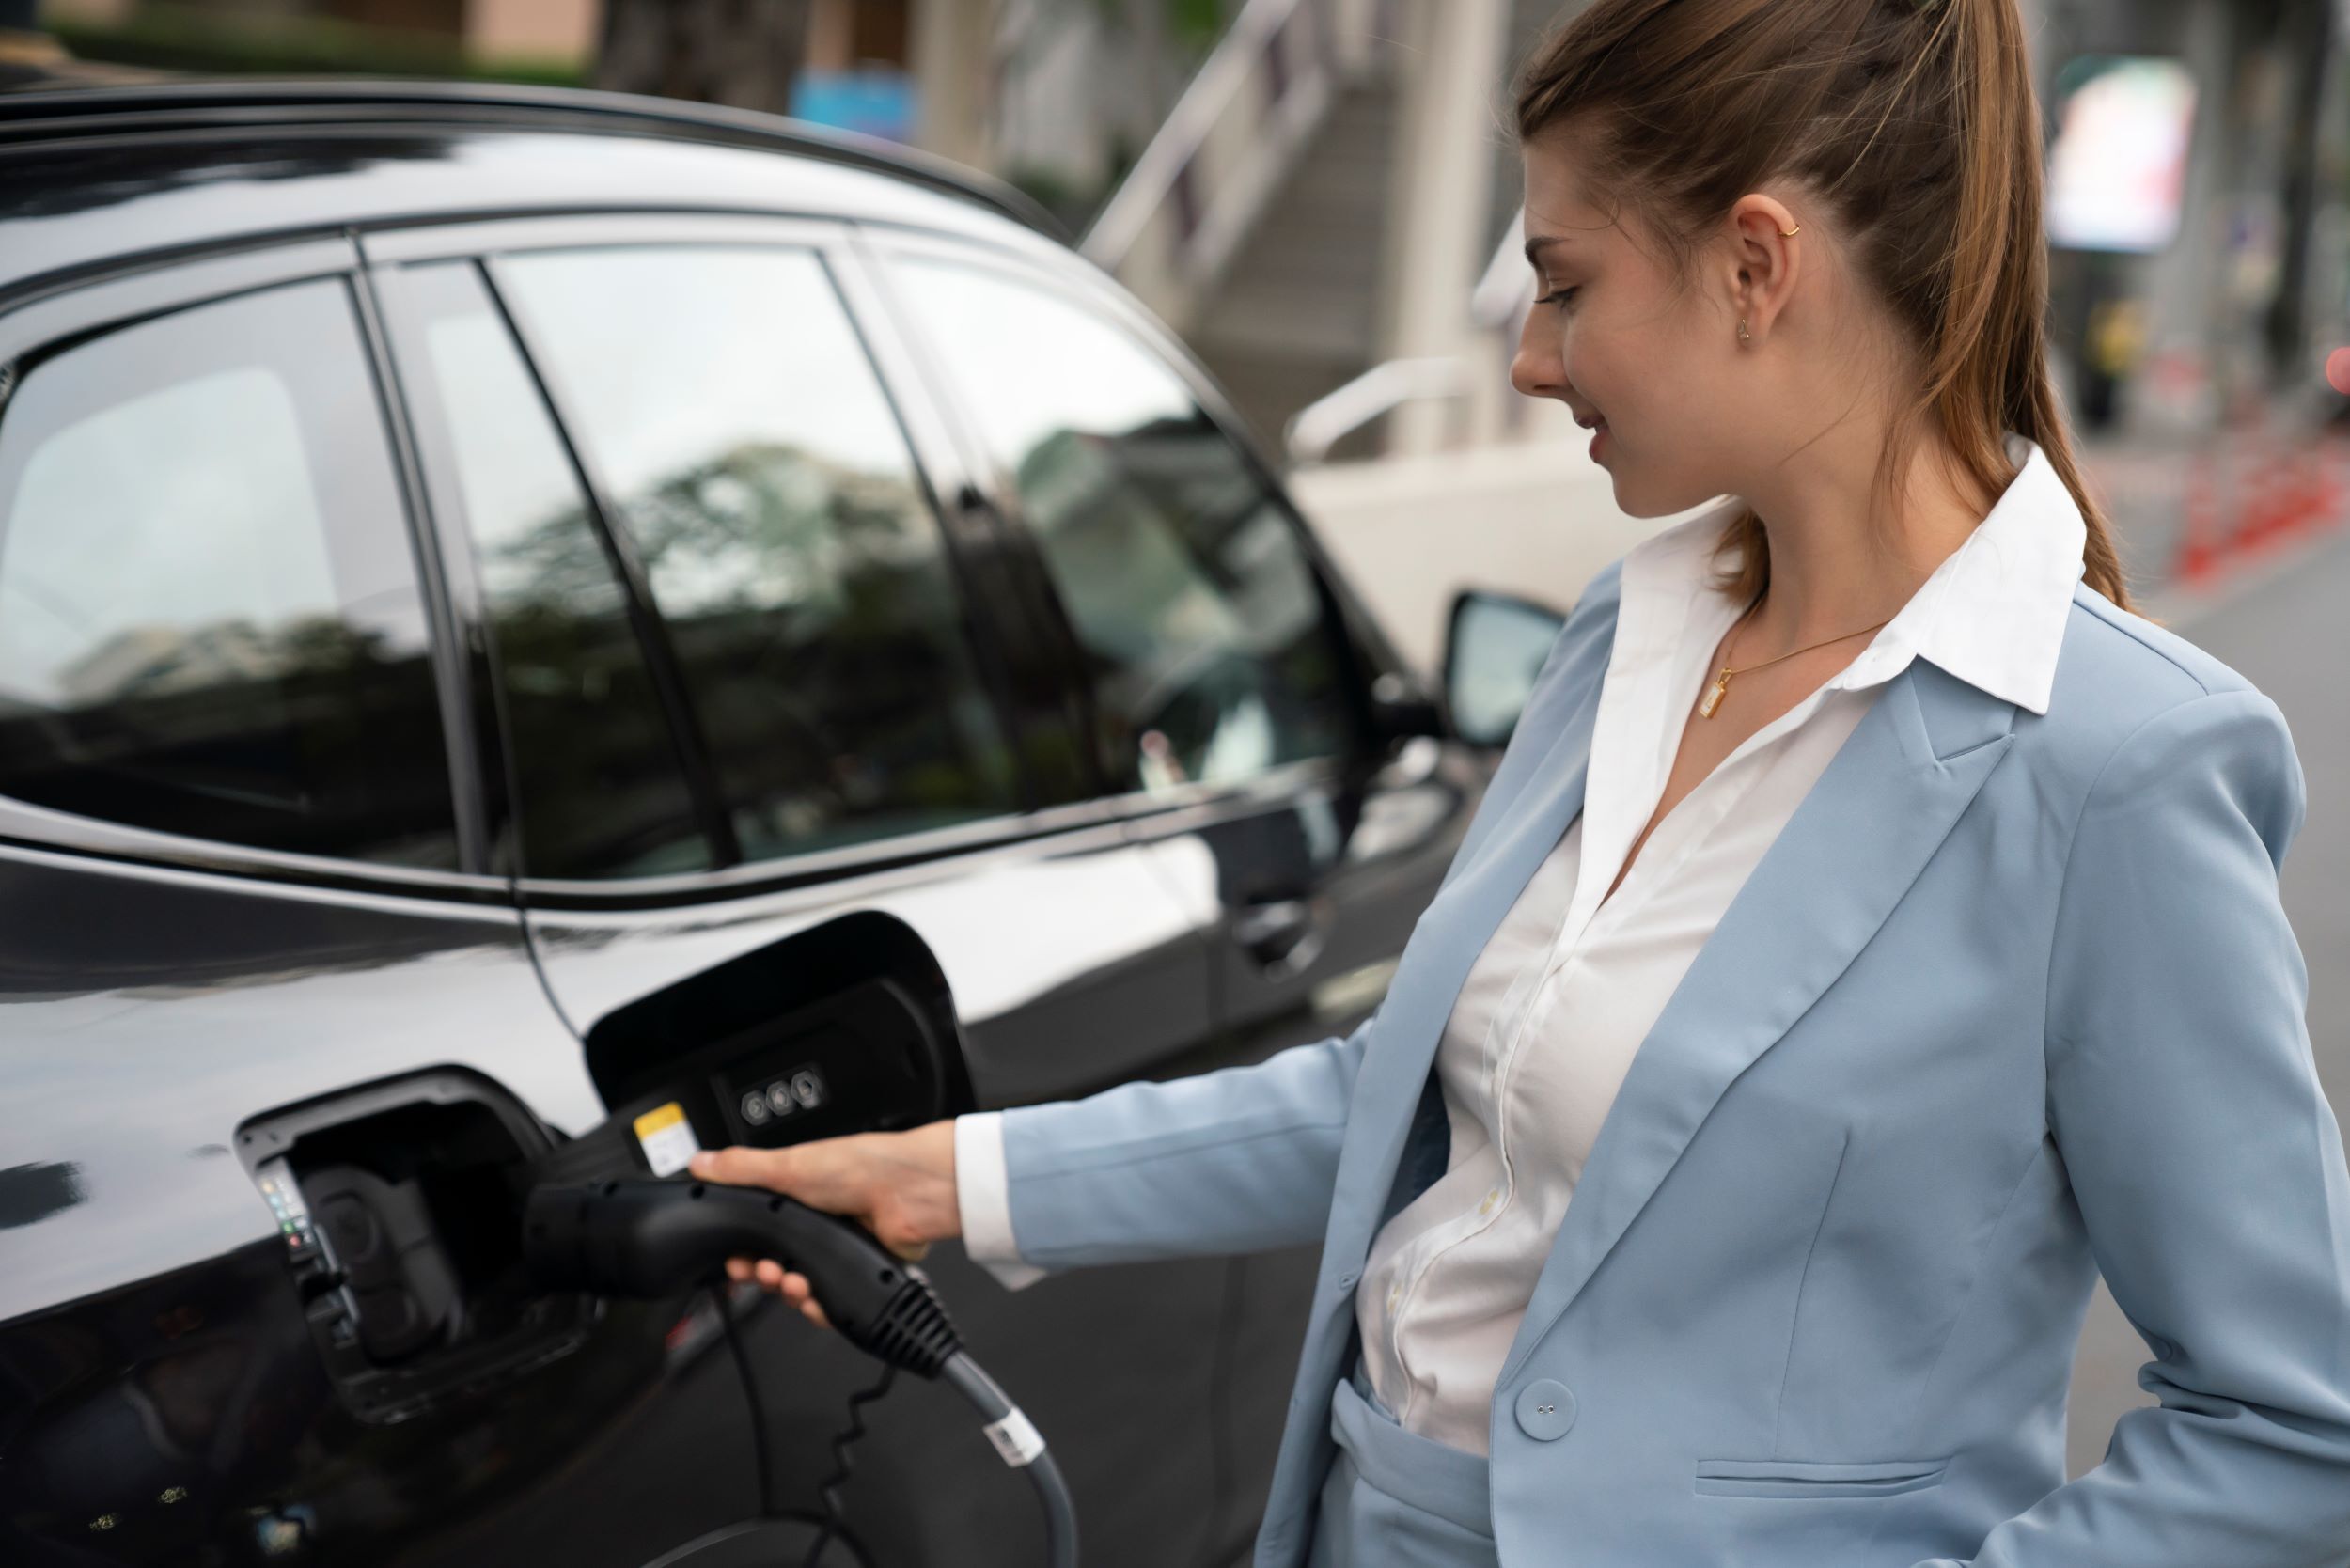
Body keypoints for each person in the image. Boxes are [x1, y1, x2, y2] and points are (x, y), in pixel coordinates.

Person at [689, 0, 2350, 1562]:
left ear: (1757, 265)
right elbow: (1423, 1098)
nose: (1532, 361)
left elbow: (2287, 1426)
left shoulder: (2120, 764)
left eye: (1564, 285)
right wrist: (946, 1176)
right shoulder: (1631, 628)